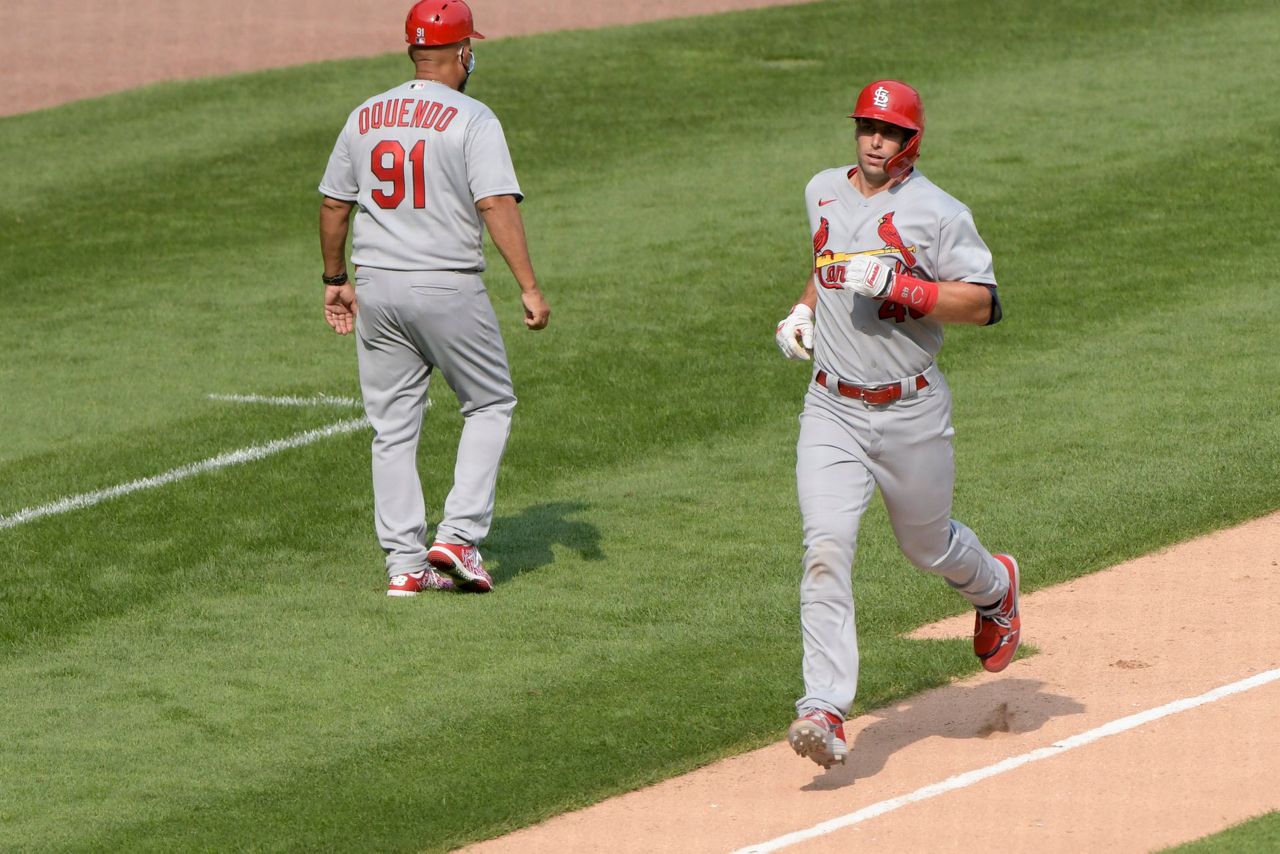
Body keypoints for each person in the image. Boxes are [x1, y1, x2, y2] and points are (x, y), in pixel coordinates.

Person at [773, 80, 1020, 768]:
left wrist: (904, 288)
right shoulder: (822, 188)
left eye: (889, 132)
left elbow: (983, 304)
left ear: (912, 140)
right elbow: (826, 264)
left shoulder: (938, 213)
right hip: (831, 409)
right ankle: (822, 707)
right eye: (866, 128)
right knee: (825, 547)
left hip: (910, 410)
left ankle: (996, 588)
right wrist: (802, 311)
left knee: (928, 548)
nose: (874, 142)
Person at [317, 0, 550, 597]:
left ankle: (404, 564)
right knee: (490, 402)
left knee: (392, 428)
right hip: (446, 284)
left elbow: (334, 205)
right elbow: (495, 203)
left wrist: (333, 279)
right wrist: (528, 285)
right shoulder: (473, 118)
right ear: (464, 52)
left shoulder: (365, 115)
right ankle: (460, 537)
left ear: (413, 49)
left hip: (377, 285)